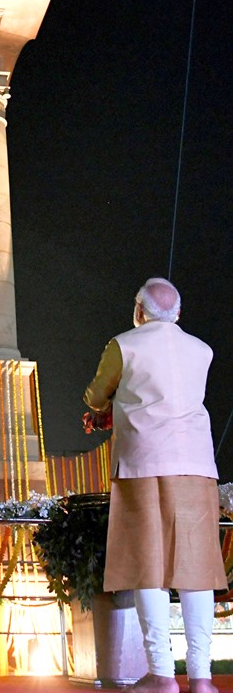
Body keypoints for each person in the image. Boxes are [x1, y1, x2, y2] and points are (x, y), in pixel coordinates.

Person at [84, 277, 226, 693]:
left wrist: (104, 410)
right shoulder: (203, 351)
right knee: (196, 571)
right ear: (178, 313)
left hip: (142, 464)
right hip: (197, 466)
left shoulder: (123, 344)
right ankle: (202, 677)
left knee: (149, 568)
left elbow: (96, 395)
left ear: (138, 310)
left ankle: (162, 673)